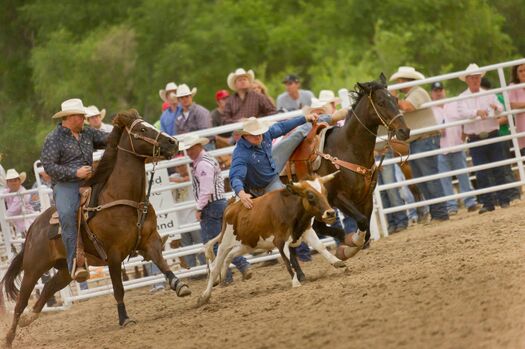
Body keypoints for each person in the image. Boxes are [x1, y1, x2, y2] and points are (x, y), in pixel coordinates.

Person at [40, 98, 108, 281]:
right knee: (68, 214)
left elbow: (108, 139)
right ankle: (75, 264)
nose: (84, 119)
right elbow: (49, 166)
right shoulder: (53, 139)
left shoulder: (87, 133)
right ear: (70, 117)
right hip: (65, 185)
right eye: (80, 116)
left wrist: (126, 129)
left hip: (90, 180)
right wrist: (74, 172)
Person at [180, 134, 251, 282]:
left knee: (212, 244)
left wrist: (199, 208)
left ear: (198, 146)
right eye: (187, 149)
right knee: (224, 241)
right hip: (219, 204)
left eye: (191, 149)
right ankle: (242, 266)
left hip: (211, 207)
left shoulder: (202, 164)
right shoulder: (208, 159)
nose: (189, 152)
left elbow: (206, 189)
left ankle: (227, 276)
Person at [390, 66, 449, 222]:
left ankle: (440, 212)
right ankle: (437, 211)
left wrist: (393, 97)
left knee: (428, 176)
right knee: (422, 177)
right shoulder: (413, 94)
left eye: (399, 81)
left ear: (405, 81)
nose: (398, 83)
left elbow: (407, 107)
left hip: (425, 138)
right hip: (418, 140)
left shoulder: (418, 92)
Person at [455, 63, 509, 214]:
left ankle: (504, 199)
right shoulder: (462, 98)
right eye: (472, 77)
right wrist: (476, 112)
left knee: (499, 167)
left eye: (477, 77)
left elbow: (501, 108)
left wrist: (496, 109)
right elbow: (462, 113)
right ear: (467, 80)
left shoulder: (489, 94)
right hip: (475, 138)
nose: (475, 80)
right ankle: (488, 203)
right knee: (481, 172)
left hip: (492, 134)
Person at [431, 81, 479, 214]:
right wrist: (436, 133)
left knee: (463, 175)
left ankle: (470, 202)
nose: (439, 93)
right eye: (436, 91)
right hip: (440, 149)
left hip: (457, 146)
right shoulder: (430, 110)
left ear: (444, 91)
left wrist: (462, 136)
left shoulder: (453, 104)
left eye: (440, 90)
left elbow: (464, 120)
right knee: (444, 180)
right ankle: (451, 206)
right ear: (432, 93)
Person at [169, 161, 206, 268]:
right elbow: (166, 181)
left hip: (194, 217)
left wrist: (178, 181)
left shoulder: (192, 172)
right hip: (181, 220)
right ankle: (193, 271)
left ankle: (205, 267)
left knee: (200, 244)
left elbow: (191, 178)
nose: (180, 168)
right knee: (187, 247)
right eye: (178, 166)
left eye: (182, 165)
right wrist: (178, 180)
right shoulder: (173, 176)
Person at [2, 169, 35, 237]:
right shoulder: (7, 192)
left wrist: (2, 218)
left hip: (28, 224)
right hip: (17, 226)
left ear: (19, 181)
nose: (13, 183)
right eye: (10, 181)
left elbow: (13, 211)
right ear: (7, 183)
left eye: (15, 180)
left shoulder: (23, 193)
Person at [508, 63, 525, 154]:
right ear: (516, 74)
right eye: (520, 71)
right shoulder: (513, 86)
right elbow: (512, 104)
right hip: (523, 130)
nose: (523, 73)